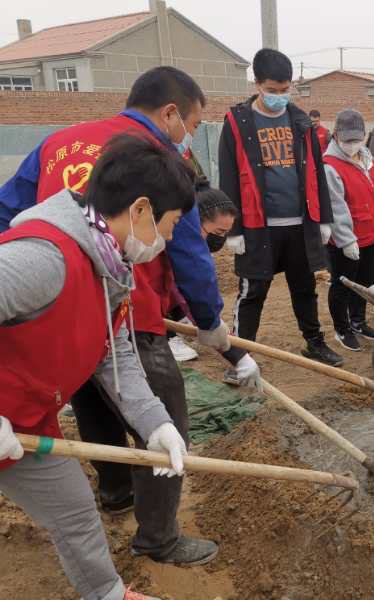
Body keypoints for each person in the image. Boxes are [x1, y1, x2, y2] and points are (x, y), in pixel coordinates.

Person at [0, 66, 249, 565]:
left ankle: (115, 490)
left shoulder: (60, 142)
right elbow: (190, 255)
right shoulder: (161, 166)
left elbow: (7, 206)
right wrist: (211, 325)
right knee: (164, 405)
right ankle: (159, 538)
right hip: (126, 311)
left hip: (83, 310)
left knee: (93, 393)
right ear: (171, 113)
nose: (191, 136)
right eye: (195, 125)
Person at [0, 133, 196, 600]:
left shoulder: (109, 267)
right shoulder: (44, 257)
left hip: (25, 420)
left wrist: (156, 423)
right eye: (170, 224)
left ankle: (107, 594)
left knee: (74, 511)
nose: (167, 239)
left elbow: (116, 356)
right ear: (142, 210)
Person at [218, 48, 343, 368]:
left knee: (304, 287)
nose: (278, 96)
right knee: (253, 291)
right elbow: (229, 174)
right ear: (257, 84)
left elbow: (316, 170)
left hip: (299, 224)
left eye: (285, 90)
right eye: (272, 90)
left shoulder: (300, 121)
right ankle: (241, 355)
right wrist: (233, 227)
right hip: (259, 224)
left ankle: (315, 342)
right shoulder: (238, 122)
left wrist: (323, 218)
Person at [323, 109, 374, 351]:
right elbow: (336, 207)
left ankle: (358, 321)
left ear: (363, 136)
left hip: (371, 232)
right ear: (336, 135)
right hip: (345, 239)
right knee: (343, 284)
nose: (352, 145)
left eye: (356, 140)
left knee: (365, 282)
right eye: (347, 140)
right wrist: (346, 240)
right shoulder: (330, 166)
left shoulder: (370, 161)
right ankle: (342, 329)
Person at [166, 178, 243, 364]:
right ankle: (169, 337)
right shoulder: (173, 240)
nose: (220, 239)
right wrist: (235, 355)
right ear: (196, 219)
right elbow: (192, 285)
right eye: (217, 232)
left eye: (225, 233)